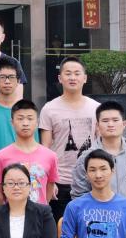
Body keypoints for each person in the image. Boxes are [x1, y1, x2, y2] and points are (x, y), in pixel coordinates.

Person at [39, 56, 100, 219]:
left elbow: (101, 146)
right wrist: (49, 180)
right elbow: (45, 149)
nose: (72, 77)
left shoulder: (96, 108)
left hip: (90, 180)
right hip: (60, 182)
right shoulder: (49, 109)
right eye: (68, 73)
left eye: (77, 73)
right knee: (60, 229)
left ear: (85, 78)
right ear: (60, 78)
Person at [71, 101, 126, 208]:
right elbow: (79, 193)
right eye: (105, 121)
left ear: (124, 124)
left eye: (115, 120)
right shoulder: (86, 157)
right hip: (99, 217)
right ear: (97, 126)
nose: (110, 124)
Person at [0, 100, 59, 206]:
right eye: (20, 118)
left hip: (39, 214)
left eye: (30, 118)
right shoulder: (0, 157)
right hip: (11, 213)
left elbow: (49, 187)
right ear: (12, 122)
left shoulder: (50, 156)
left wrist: (41, 209)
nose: (25, 123)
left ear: (37, 122)